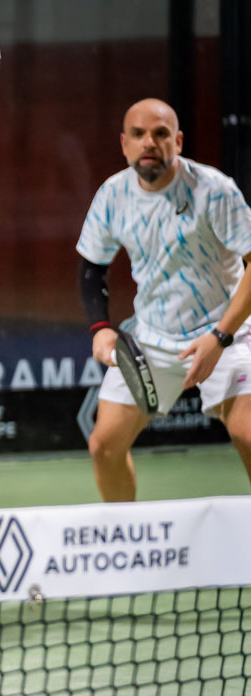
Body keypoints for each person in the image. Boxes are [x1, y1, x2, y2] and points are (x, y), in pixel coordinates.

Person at [77, 98, 251, 501]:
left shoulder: (215, 190)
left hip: (227, 333)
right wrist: (100, 329)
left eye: (160, 134)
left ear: (179, 141)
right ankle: (126, 534)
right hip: (151, 339)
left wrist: (220, 337)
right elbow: (92, 268)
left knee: (248, 434)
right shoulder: (112, 194)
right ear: (124, 144)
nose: (149, 143)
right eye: (138, 134)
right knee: (104, 446)